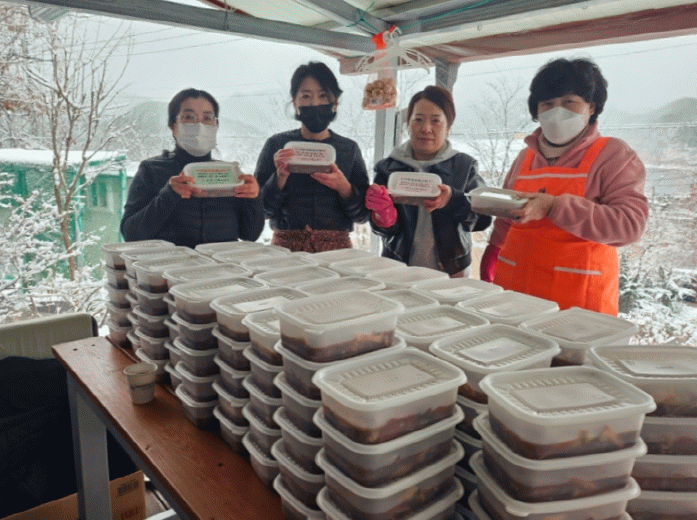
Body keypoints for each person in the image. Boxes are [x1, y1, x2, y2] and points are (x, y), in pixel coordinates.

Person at [480, 58, 649, 316]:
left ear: (591, 107)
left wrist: (555, 206)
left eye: (569, 102)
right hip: (515, 298)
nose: (556, 112)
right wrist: (493, 249)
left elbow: (630, 225)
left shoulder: (613, 156)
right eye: (547, 104)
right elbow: (507, 216)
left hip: (577, 306)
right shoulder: (524, 157)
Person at [365, 85, 491, 277]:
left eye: (436, 121)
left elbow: (482, 219)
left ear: (448, 127)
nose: (426, 128)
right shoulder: (387, 168)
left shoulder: (464, 166)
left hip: (451, 272)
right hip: (398, 268)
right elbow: (384, 229)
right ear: (408, 124)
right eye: (418, 119)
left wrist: (453, 200)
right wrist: (383, 216)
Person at [120, 88, 264, 247]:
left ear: (216, 126)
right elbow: (130, 234)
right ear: (173, 126)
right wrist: (168, 196)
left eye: (207, 118)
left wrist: (253, 199)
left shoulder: (229, 173)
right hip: (170, 262)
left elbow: (250, 234)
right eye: (188, 117)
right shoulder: (151, 170)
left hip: (223, 262)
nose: (199, 125)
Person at [254, 61, 370, 252]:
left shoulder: (349, 149)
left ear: (335, 101)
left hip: (337, 251)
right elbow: (259, 211)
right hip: (285, 250)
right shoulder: (277, 145)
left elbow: (363, 216)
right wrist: (279, 178)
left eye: (323, 95)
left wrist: (344, 187)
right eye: (306, 96)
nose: (315, 103)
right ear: (295, 103)